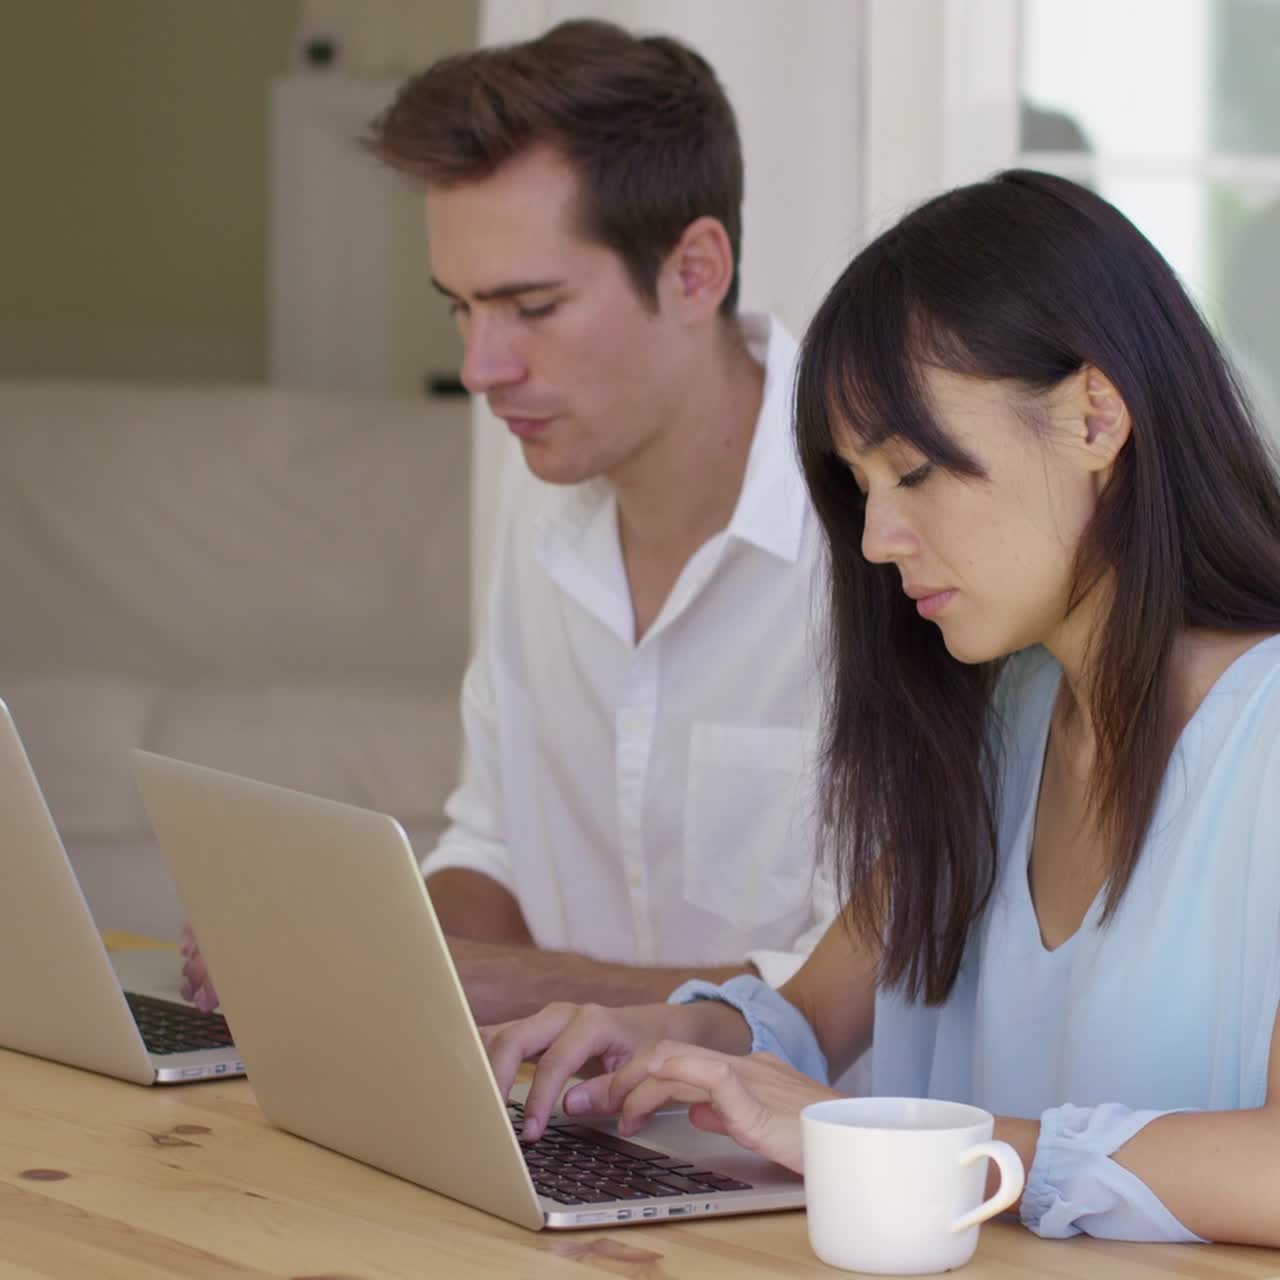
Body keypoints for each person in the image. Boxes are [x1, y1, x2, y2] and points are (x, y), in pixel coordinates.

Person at [481, 169, 1280, 1248]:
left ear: (1095, 414)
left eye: (914, 472)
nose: (874, 541)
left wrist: (909, 1143)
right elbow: (810, 1016)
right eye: (859, 487)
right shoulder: (1004, 720)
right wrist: (664, 1037)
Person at [179, 20, 838, 1026]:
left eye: (530, 306)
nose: (481, 369)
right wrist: (350, 942)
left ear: (695, 270)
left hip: (798, 1165)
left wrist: (547, 983)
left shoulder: (882, 533)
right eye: (461, 307)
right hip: (556, 1126)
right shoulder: (543, 490)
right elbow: (494, 844)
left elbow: (891, 989)